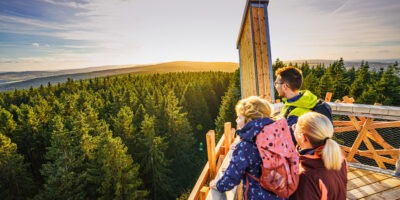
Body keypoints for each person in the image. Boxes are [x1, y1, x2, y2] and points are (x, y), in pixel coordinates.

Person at [209, 96, 286, 200]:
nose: (236, 120)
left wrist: (219, 185)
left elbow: (234, 173)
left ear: (249, 120)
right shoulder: (276, 134)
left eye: (239, 117)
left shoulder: (247, 145)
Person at [291, 112, 347, 200]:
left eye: (295, 128)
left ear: (303, 137)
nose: (293, 129)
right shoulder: (340, 159)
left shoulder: (306, 176)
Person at [274, 66, 319, 144]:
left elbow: (286, 142)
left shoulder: (297, 112)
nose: (275, 86)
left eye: (276, 83)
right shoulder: (297, 102)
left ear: (285, 86)